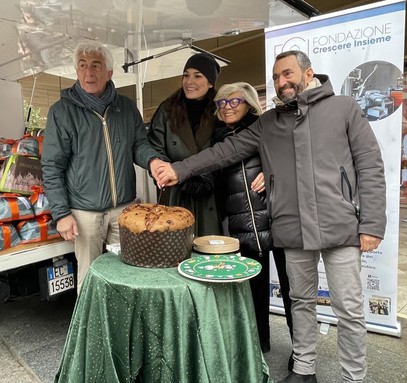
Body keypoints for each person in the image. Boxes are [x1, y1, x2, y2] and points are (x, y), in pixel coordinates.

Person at [154, 50, 387, 383]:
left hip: (341, 226)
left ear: (309, 74)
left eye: (288, 73)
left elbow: (370, 166)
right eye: (277, 77)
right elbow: (222, 153)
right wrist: (178, 169)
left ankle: (353, 378)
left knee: (348, 309)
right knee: (301, 302)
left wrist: (373, 223)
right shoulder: (270, 123)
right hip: (292, 227)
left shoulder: (344, 109)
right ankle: (304, 371)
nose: (282, 81)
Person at [41, 41, 166, 293]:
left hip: (124, 210)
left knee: (127, 273)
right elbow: (52, 166)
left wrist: (153, 160)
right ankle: (92, 331)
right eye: (82, 66)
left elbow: (139, 145)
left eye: (96, 66)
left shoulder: (127, 107)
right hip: (85, 212)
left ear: (109, 72)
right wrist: (62, 214)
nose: (89, 73)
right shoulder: (62, 112)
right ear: (76, 71)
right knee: (91, 279)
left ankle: (125, 326)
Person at [211, 82, 293, 357]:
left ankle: (302, 352)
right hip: (242, 226)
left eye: (234, 101)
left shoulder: (266, 127)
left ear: (249, 103)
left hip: (277, 219)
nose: (228, 107)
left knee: (292, 289)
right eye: (222, 103)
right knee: (253, 290)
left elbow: (292, 158)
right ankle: (259, 346)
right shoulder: (217, 140)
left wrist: (274, 174)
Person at [148, 53, 222, 236]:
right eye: (186, 75)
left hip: (210, 198)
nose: (190, 81)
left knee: (208, 253)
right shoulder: (167, 110)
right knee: (174, 248)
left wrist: (208, 178)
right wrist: (165, 170)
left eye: (198, 76)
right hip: (175, 194)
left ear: (211, 82)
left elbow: (228, 147)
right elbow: (154, 146)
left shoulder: (221, 110)